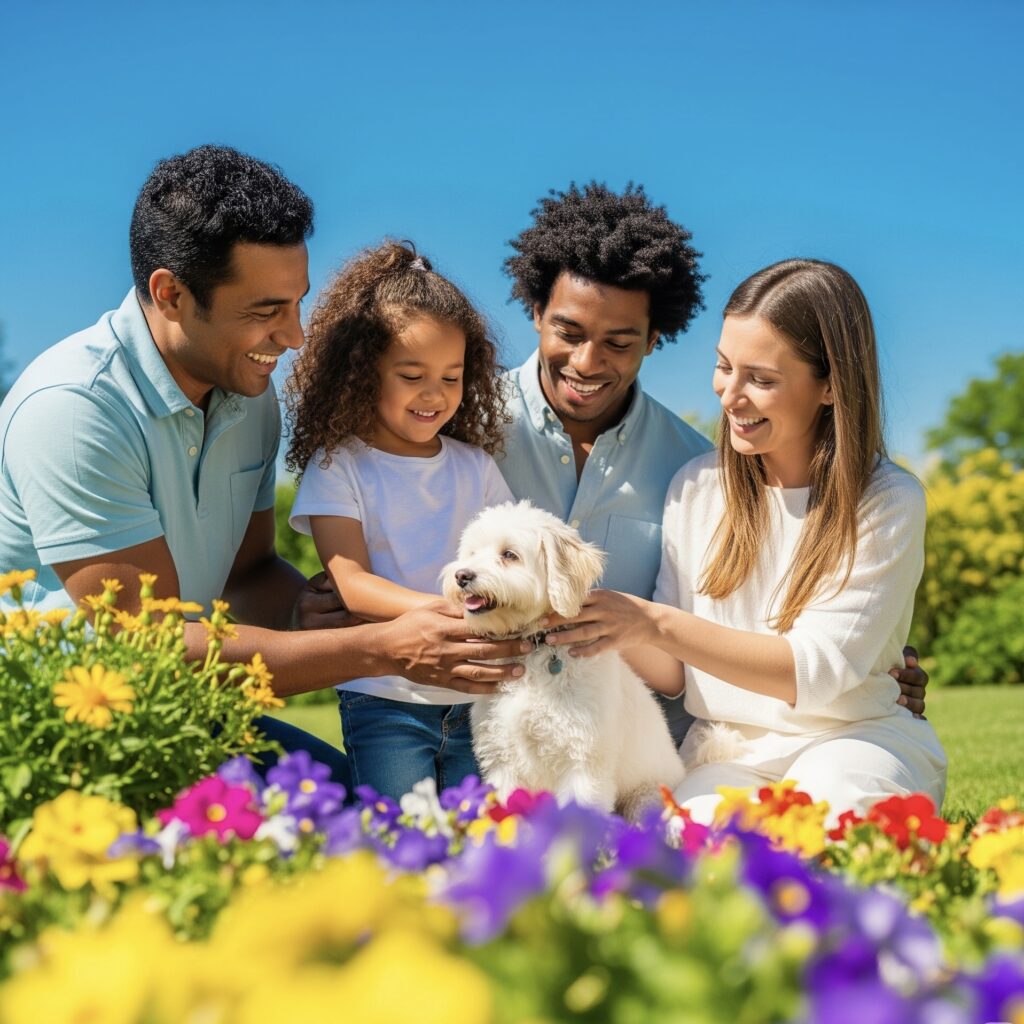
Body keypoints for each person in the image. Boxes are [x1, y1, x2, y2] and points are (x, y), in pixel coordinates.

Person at [0, 145, 526, 781]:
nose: (296, 336)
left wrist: (306, 610)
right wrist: (379, 648)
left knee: (352, 819)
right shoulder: (76, 410)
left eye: (297, 302)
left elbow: (247, 572)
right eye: (265, 311)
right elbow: (145, 645)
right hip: (53, 728)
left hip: (182, 705)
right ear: (170, 293)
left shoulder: (248, 399)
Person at [497, 184, 929, 744]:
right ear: (535, 313)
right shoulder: (459, 424)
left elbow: (799, 663)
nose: (586, 361)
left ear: (655, 339)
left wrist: (873, 673)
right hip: (477, 716)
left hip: (628, 737)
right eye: (569, 332)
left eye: (619, 342)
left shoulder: (684, 459)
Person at [544, 259, 947, 822]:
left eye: (761, 379)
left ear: (830, 385)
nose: (729, 395)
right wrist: (595, 620)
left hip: (853, 740)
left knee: (829, 826)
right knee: (682, 855)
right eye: (723, 367)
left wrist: (651, 621)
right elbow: (675, 672)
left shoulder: (885, 499)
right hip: (726, 750)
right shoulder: (698, 486)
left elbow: (816, 671)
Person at [284, 241, 513, 799]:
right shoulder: (340, 465)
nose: (434, 394)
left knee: (475, 838)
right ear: (365, 373)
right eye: (412, 375)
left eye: (452, 376)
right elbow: (353, 585)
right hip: (385, 699)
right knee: (396, 838)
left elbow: (508, 555)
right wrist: (451, 615)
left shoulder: (475, 467)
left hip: (478, 696)